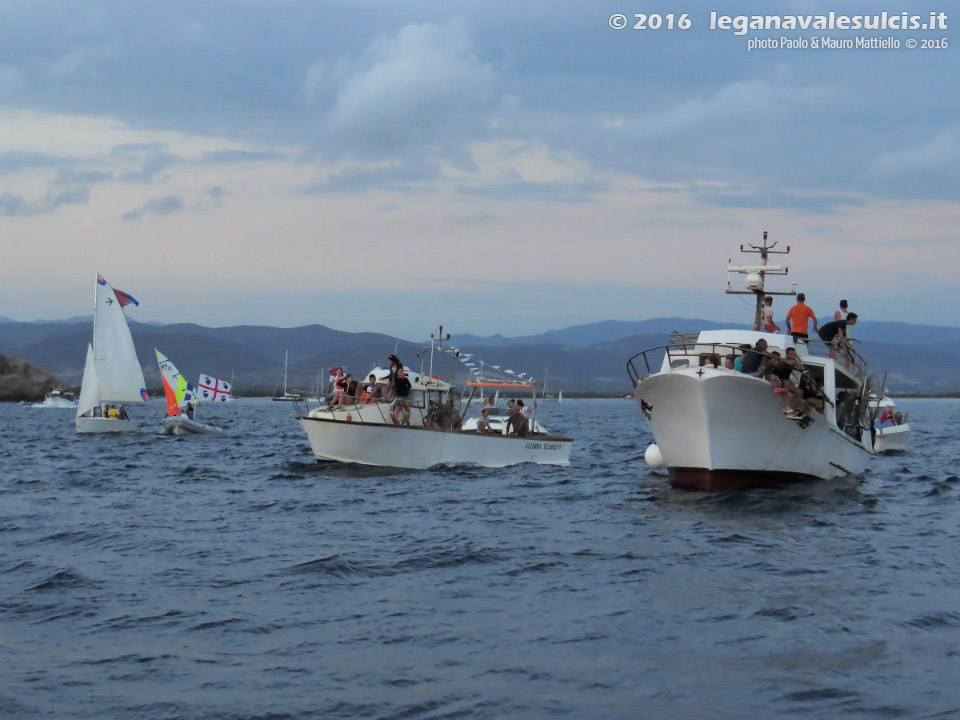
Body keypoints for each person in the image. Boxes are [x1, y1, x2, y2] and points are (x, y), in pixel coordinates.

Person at [765, 347, 805, 416]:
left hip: (786, 380)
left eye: (793, 354)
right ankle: (785, 407)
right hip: (779, 380)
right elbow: (776, 366)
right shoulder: (782, 360)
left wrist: (795, 361)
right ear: (787, 354)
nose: (792, 355)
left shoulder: (794, 362)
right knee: (786, 383)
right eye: (791, 354)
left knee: (799, 392)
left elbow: (802, 368)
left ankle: (791, 410)